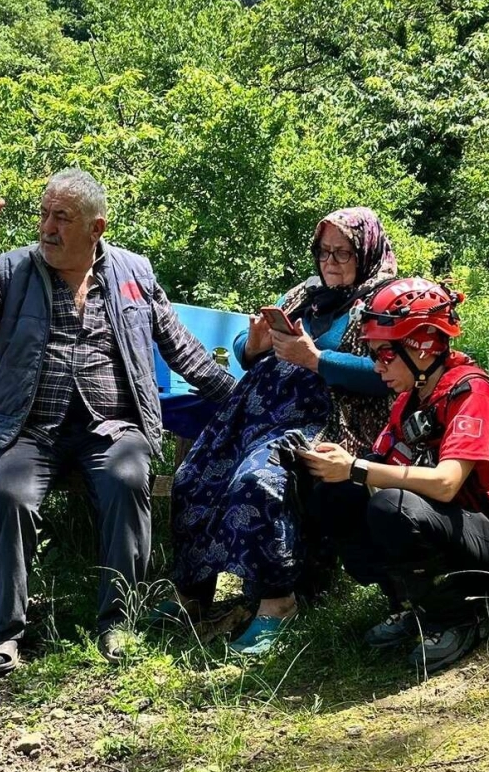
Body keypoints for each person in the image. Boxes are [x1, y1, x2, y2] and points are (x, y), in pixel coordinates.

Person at [0, 171, 236, 677]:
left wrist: (241, 402)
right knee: (7, 496)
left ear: (96, 227)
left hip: (114, 427)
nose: (47, 228)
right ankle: (3, 631)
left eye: (62, 218)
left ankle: (118, 620)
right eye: (43, 214)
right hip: (31, 428)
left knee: (125, 479)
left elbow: (181, 348)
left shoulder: (133, 272)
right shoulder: (12, 269)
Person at [168, 207, 395, 655]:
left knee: (258, 481)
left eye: (343, 253)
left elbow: (386, 372)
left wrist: (318, 360)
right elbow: (245, 350)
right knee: (193, 476)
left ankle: (277, 603)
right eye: (324, 251)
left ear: (366, 252)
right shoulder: (306, 293)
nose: (330, 262)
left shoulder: (382, 302)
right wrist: (251, 344)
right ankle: (192, 596)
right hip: (253, 413)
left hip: (320, 419)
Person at [302, 277, 489, 673]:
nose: (377, 366)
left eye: (384, 355)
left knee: (390, 505)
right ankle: (410, 605)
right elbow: (379, 466)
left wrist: (357, 467)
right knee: (335, 495)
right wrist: (339, 465)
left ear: (419, 346)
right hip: (453, 527)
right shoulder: (408, 402)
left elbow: (447, 483)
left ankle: (463, 616)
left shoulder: (470, 392)